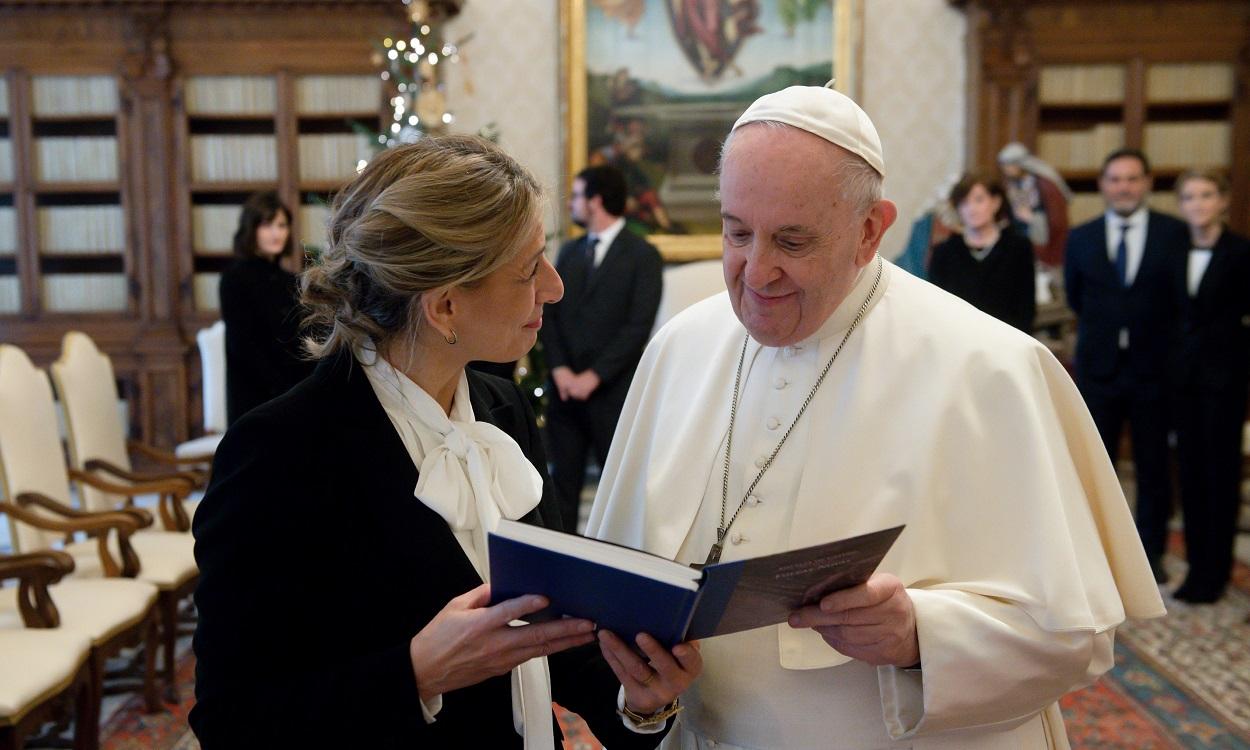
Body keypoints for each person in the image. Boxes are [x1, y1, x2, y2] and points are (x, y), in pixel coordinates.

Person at [587, 84, 1165, 749]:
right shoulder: (680, 347)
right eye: (736, 232)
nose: (757, 272)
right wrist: (645, 697)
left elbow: (1076, 635)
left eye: (793, 241)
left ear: (870, 230)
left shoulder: (989, 367)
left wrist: (921, 635)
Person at [191, 136, 700, 748]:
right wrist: (415, 675)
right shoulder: (279, 453)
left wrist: (636, 701)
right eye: (528, 268)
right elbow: (232, 721)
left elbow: (549, 632)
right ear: (446, 305)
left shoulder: (502, 409)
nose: (555, 287)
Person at [1064, 149, 1189, 581]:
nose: (1124, 187)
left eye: (1132, 179)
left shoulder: (1174, 235)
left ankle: (1148, 558)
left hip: (1154, 370)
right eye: (1115, 179)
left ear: (1148, 183)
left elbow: (1179, 301)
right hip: (1099, 371)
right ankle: (1098, 561)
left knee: (1154, 469)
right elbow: (1076, 297)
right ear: (1103, 185)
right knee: (1098, 471)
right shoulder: (1082, 237)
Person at [540, 165, 663, 533]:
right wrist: (561, 370)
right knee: (560, 492)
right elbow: (551, 315)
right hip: (565, 396)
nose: (573, 204)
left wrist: (593, 377)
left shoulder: (642, 255)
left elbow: (638, 327)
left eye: (577, 196)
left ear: (595, 201)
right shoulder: (570, 252)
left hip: (613, 395)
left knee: (618, 496)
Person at [1166, 169, 1250, 604]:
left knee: (1221, 476)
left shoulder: (1241, 252)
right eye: (1189, 197)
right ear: (1180, 205)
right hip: (1183, 380)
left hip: (1225, 381)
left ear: (1223, 200)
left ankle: (1216, 572)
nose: (1198, 204)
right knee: (1192, 476)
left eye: (1206, 195)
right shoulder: (1174, 250)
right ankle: (1197, 570)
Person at [218, 191, 314, 425]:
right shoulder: (234, 278)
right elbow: (244, 346)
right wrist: (286, 392)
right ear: (251, 229)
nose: (276, 233)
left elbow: (299, 338)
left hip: (293, 393)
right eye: (267, 225)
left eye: (282, 225)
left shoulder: (291, 280)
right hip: (256, 398)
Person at [928, 173, 1036, 332]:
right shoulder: (944, 252)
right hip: (957, 340)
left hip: (1006, 342)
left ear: (996, 202)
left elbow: (1026, 309)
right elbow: (936, 309)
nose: (971, 208)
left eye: (979, 200)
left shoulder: (1018, 248)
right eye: (964, 202)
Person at [997, 141, 1072, 268]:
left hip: (1041, 243)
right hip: (1018, 241)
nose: (1005, 169)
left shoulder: (1045, 186)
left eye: (1008, 165)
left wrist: (1032, 218)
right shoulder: (1011, 184)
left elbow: (1056, 221)